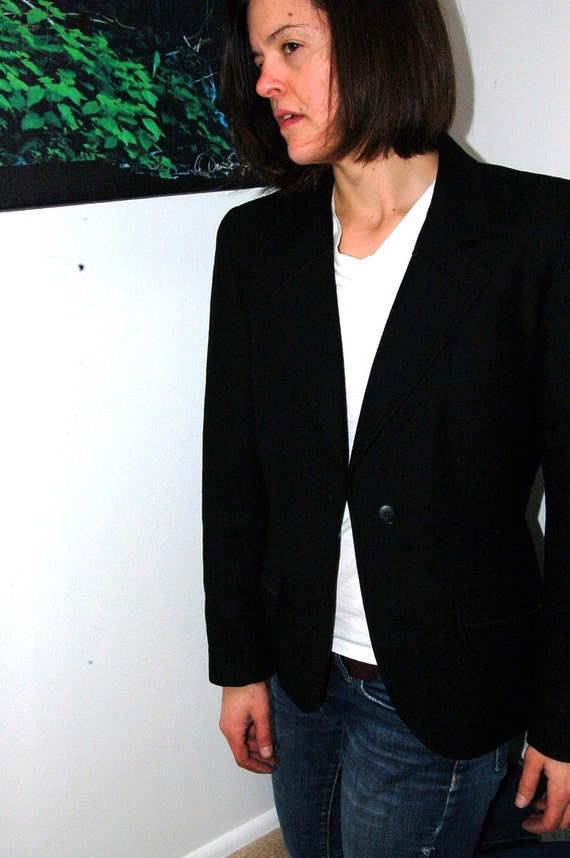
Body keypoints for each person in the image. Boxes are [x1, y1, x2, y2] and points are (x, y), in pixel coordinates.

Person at [202, 0, 570, 855]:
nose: (265, 81)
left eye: (290, 46)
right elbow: (232, 475)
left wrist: (562, 718)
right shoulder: (255, 243)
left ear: (382, 38)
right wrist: (239, 665)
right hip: (300, 671)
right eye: (258, 58)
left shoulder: (537, 234)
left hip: (446, 684)